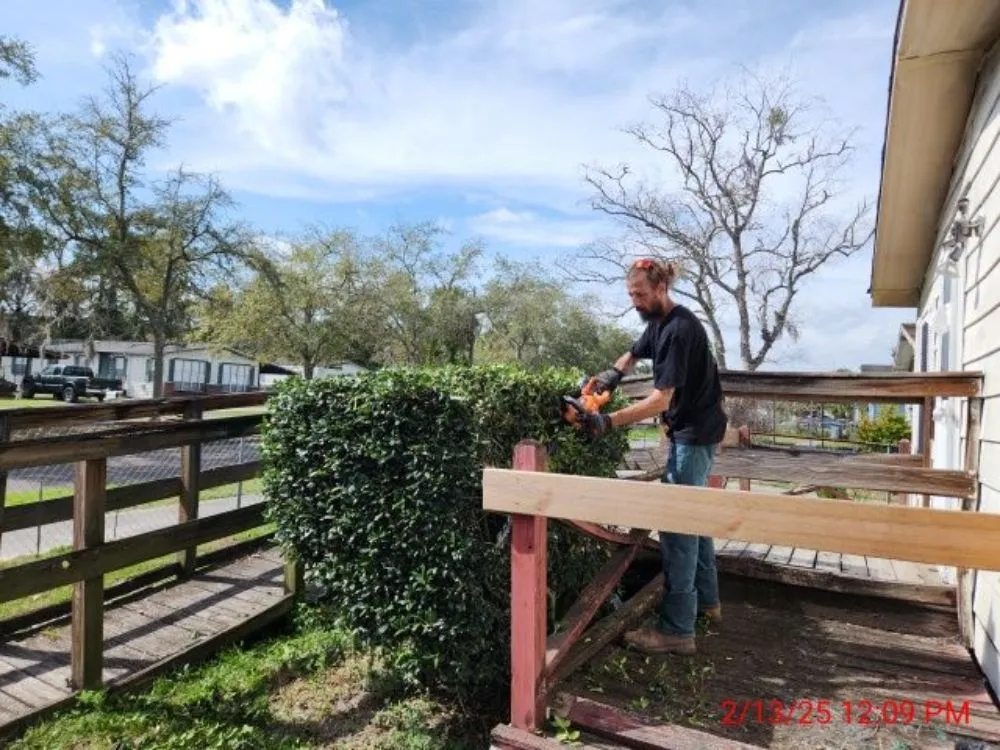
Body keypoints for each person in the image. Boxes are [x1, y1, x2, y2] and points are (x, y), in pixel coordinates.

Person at [579, 257, 728, 655]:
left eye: (640, 294)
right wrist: (610, 376)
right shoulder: (657, 322)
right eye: (630, 295)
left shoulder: (679, 330)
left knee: (677, 524)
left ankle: (677, 629)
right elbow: (631, 353)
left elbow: (660, 399)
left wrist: (608, 422)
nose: (635, 302)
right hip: (694, 429)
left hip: (694, 435)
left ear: (661, 289)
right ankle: (708, 604)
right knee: (693, 514)